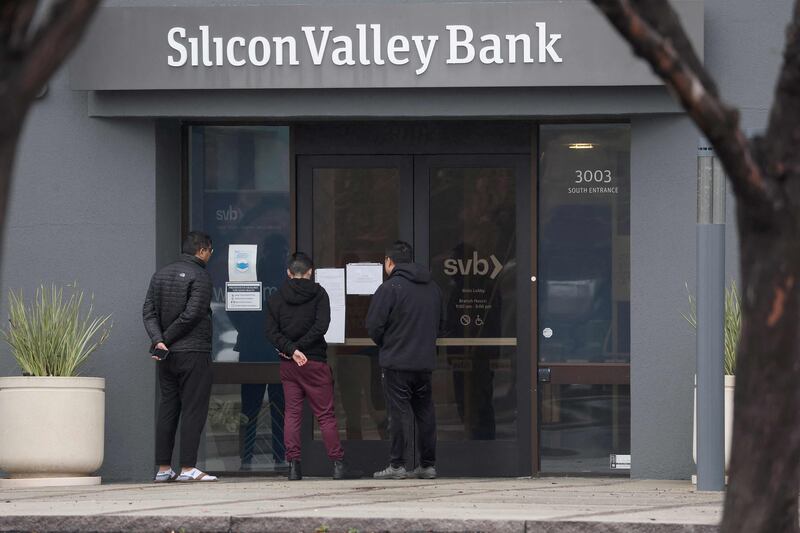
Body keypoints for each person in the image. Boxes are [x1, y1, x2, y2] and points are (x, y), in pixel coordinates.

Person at [266, 252, 361, 481]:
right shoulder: (319, 294)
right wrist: (301, 349)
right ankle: (338, 464)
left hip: (289, 364)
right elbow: (322, 326)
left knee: (292, 415)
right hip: (315, 362)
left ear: (289, 273)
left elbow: (271, 332)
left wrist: (292, 350)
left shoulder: (276, 298)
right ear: (310, 273)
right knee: (326, 415)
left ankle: (293, 467)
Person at [366, 241, 445, 480]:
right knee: (425, 413)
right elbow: (441, 324)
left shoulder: (390, 288)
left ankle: (397, 465)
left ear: (390, 262)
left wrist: (387, 344)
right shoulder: (433, 288)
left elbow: (373, 325)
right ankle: (427, 464)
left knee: (398, 414)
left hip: (397, 363)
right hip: (424, 362)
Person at [143, 231, 217, 482]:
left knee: (168, 408)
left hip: (168, 356)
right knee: (193, 409)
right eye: (210, 251)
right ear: (203, 251)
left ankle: (163, 469)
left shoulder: (160, 275)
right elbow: (193, 314)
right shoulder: (201, 276)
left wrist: (159, 341)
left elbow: (148, 311)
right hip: (194, 352)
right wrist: (165, 341)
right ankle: (188, 468)